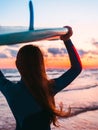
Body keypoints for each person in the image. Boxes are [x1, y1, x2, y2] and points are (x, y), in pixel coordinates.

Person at [0, 26, 82, 130]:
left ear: (17, 65)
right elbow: (76, 68)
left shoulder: (10, 90)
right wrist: (67, 40)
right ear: (41, 64)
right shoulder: (49, 88)